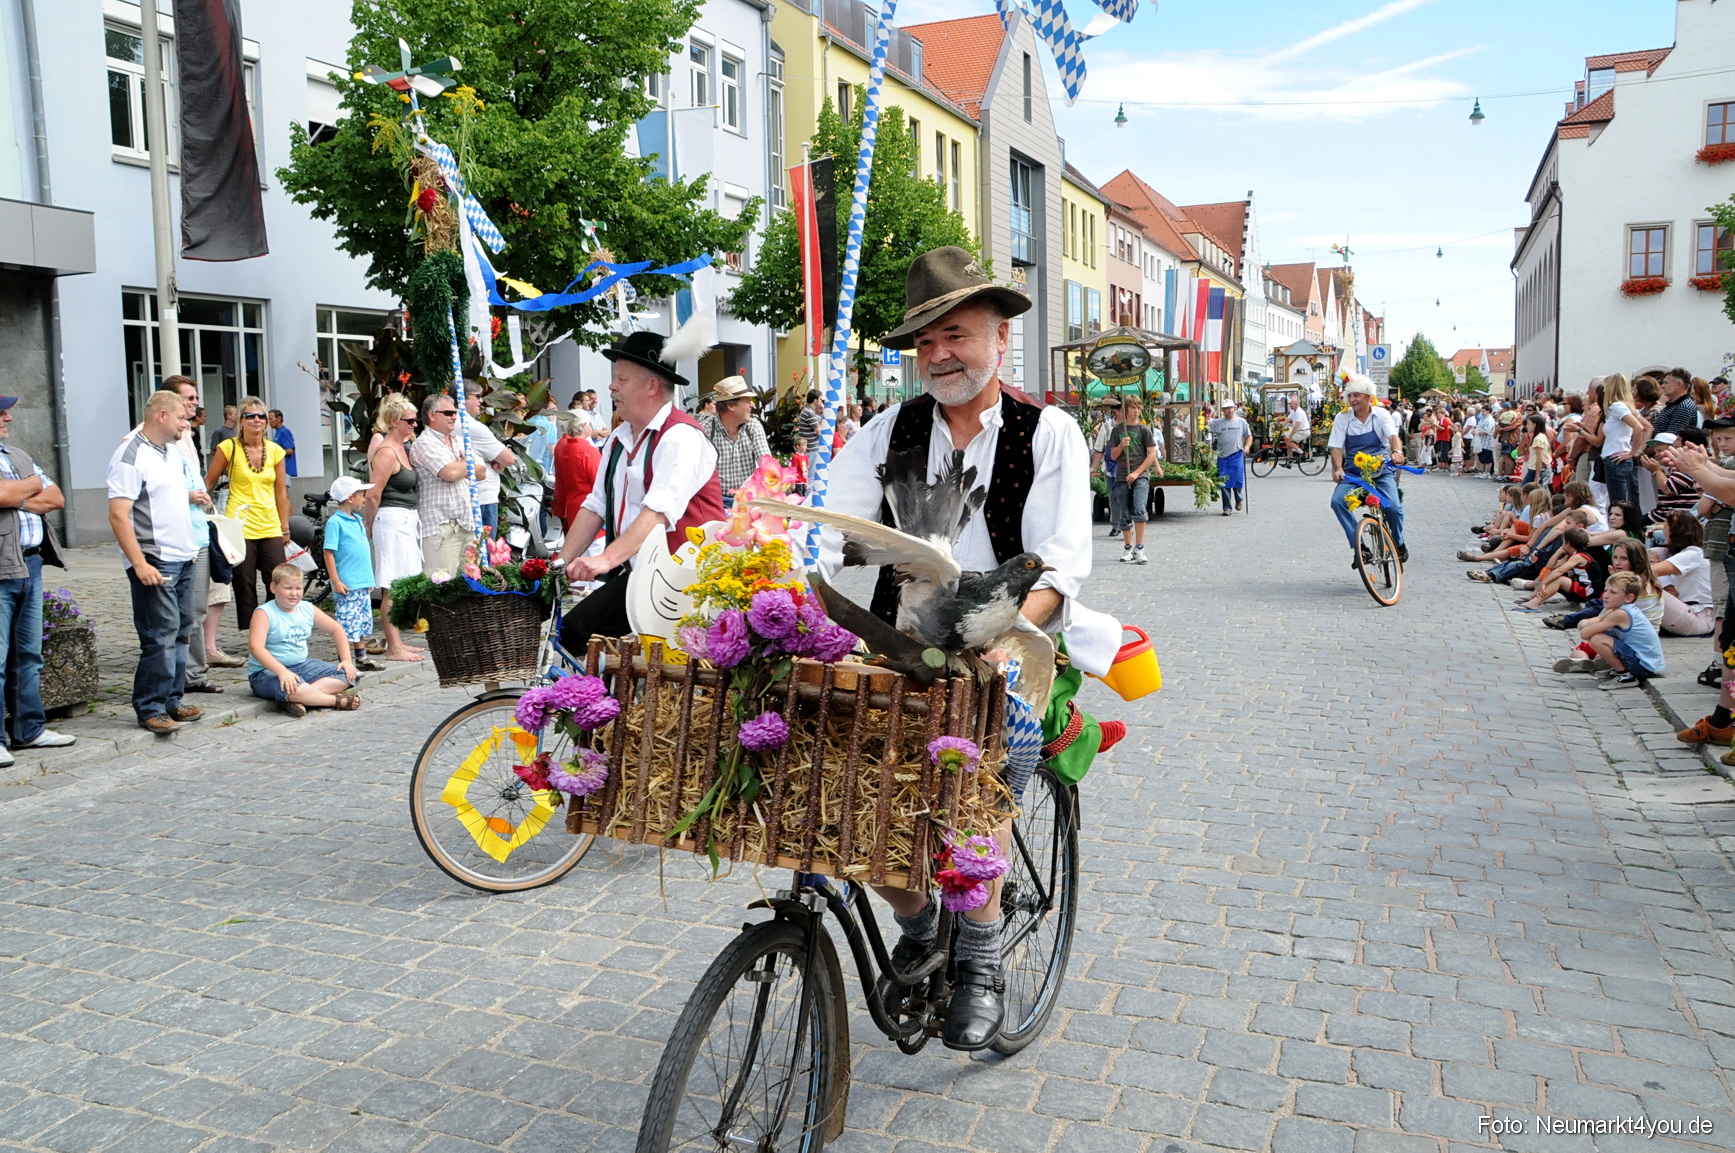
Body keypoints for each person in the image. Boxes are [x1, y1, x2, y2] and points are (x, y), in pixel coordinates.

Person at [818, 245, 1123, 1052]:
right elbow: (830, 535)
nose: (938, 355)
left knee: (974, 769)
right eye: (924, 342)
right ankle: (920, 924)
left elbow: (1058, 563)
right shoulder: (888, 430)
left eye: (954, 334)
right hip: (903, 642)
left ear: (996, 338)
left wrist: (996, 643)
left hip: (1010, 642)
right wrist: (781, 599)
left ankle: (981, 956)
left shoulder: (1046, 431)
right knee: (839, 784)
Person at [554, 329, 724, 649]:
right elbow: (594, 506)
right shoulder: (620, 439)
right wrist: (560, 565)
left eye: (622, 379)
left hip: (686, 578)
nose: (611, 386)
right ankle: (612, 697)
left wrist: (603, 560)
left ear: (651, 385)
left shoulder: (680, 437)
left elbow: (658, 513)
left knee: (579, 633)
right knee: (579, 636)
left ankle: (604, 698)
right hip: (647, 575)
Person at [108, 390, 205, 735]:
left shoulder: (171, 452)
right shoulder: (132, 454)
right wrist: (139, 563)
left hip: (182, 555)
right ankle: (150, 706)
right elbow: (119, 515)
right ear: (161, 415)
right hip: (154, 558)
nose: (186, 422)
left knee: (181, 630)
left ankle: (171, 700)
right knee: (160, 635)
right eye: (181, 416)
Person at [0, 394, 72, 766]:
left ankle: (29, 730)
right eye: (1, 412)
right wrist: (26, 487)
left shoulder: (17, 456)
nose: (8, 417)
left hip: (31, 565)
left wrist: (16, 495)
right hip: (0, 568)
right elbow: (2, 493)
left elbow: (56, 497)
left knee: (29, 654)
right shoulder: (24, 466)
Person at [203, 397, 289, 635]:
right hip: (239, 527)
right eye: (250, 416)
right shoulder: (228, 447)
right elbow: (209, 482)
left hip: (270, 523)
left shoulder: (275, 451)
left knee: (277, 580)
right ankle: (254, 635)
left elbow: (281, 492)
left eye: (261, 416)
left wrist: (285, 526)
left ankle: (278, 629)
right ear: (240, 421)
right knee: (245, 583)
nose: (257, 420)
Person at [158, 377, 221, 695]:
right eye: (188, 398)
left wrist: (203, 500)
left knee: (195, 609)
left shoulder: (188, 436)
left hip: (198, 533)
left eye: (196, 397)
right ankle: (183, 676)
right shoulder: (159, 444)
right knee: (182, 613)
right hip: (177, 540)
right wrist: (190, 496)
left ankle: (192, 672)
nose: (194, 403)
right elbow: (156, 492)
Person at [246, 563, 360, 717]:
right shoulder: (264, 613)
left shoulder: (307, 608)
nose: (294, 593)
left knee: (347, 675)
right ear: (273, 588)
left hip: (301, 666)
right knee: (291, 686)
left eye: (298, 588)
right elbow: (256, 648)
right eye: (288, 588)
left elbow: (336, 629)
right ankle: (333, 701)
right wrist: (282, 672)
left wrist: (346, 660)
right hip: (266, 673)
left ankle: (300, 697)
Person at [363, 394, 425, 663]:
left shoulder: (403, 447)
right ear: (393, 421)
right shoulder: (387, 452)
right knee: (392, 585)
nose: (414, 425)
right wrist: (368, 526)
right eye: (409, 421)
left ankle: (395, 641)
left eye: (415, 420)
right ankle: (394, 646)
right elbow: (373, 494)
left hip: (405, 520)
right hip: (390, 521)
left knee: (403, 583)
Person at [1329, 375, 1407, 565]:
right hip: (1354, 475)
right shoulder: (1343, 417)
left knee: (1394, 508)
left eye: (1357, 395)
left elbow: (1393, 436)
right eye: (1350, 396)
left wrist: (1397, 452)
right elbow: (1336, 448)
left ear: (1368, 397)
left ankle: (1398, 543)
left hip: (1380, 471)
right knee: (1337, 502)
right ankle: (1360, 548)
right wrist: (1338, 469)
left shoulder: (1380, 414)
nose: (1352, 400)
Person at [410, 392, 481, 576]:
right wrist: (467, 463)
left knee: (471, 584)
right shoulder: (424, 443)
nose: (454, 417)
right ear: (432, 415)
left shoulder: (458, 440)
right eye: (448, 413)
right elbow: (449, 473)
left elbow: (481, 473)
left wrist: (462, 466)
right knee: (442, 587)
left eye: (455, 412)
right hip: (441, 528)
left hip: (467, 524)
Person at [322, 476, 383, 672]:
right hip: (347, 583)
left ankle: (361, 657)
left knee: (363, 621)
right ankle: (345, 660)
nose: (364, 499)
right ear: (350, 498)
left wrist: (369, 578)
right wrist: (336, 580)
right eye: (361, 495)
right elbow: (329, 552)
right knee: (348, 623)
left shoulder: (357, 520)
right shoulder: (335, 522)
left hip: (362, 582)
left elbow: (363, 551)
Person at [1563, 571, 1665, 690]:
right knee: (1603, 635)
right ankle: (1617, 669)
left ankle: (1626, 676)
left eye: (1613, 592)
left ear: (1628, 598)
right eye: (1606, 590)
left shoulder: (1621, 614)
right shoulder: (1619, 610)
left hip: (1644, 666)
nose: (1606, 595)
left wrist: (1593, 624)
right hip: (1644, 662)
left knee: (1597, 639)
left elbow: (1585, 634)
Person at [698, 376, 771, 507]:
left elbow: (766, 464)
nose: (751, 405)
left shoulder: (753, 426)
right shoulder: (706, 430)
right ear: (731, 405)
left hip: (748, 500)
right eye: (748, 401)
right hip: (715, 502)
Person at [1108, 394, 1160, 563]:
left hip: (1140, 475)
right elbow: (1113, 455)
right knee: (1123, 512)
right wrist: (1122, 446)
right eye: (1133, 408)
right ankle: (1128, 547)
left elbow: (1151, 454)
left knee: (1139, 508)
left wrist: (1137, 472)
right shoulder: (1117, 430)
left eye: (1138, 408)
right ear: (1126, 410)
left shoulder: (1144, 429)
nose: (1136, 411)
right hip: (1122, 475)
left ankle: (1139, 547)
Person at [460, 386, 517, 533]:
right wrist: (497, 460)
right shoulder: (471, 426)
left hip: (467, 495)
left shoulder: (452, 423)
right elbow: (508, 459)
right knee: (484, 549)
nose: (481, 401)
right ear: (462, 398)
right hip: (483, 496)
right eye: (477, 396)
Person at [1600, 374, 1648, 508]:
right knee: (1627, 501)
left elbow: (1639, 427)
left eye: (1605, 388)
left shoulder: (1617, 407)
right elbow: (1647, 427)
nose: (1603, 391)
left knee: (1618, 504)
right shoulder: (1627, 407)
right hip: (1620, 457)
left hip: (1615, 457)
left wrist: (1634, 452)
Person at [551, 412, 601, 531]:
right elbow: (600, 484)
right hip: (590, 509)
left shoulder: (566, 448)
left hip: (572, 506)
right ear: (583, 426)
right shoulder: (587, 451)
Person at [1208, 400, 1252, 515]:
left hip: (1237, 453)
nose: (1230, 410)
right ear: (1223, 410)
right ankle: (1227, 508)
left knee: (1237, 479)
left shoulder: (1241, 422)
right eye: (1227, 408)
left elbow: (1249, 436)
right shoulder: (1218, 423)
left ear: (1234, 408)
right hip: (1223, 456)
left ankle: (1239, 498)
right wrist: (1206, 413)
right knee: (1223, 481)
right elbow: (1206, 425)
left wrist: (1247, 446)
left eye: (1231, 408)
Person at [1652, 368, 1700, 436]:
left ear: (1678, 384)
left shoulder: (1683, 408)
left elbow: (1671, 438)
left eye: (1666, 383)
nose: (1662, 386)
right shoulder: (1675, 404)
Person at [268, 409, 297, 478]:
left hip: (285, 469)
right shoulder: (278, 432)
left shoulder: (285, 432)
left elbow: (290, 450)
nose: (269, 422)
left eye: (271, 419)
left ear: (279, 419)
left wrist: (274, 453)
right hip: (280, 469)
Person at [795, 390, 823, 454]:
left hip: (808, 447)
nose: (821, 402)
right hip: (811, 448)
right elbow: (819, 431)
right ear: (815, 400)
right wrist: (822, 413)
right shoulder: (809, 413)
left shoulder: (807, 410)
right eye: (820, 399)